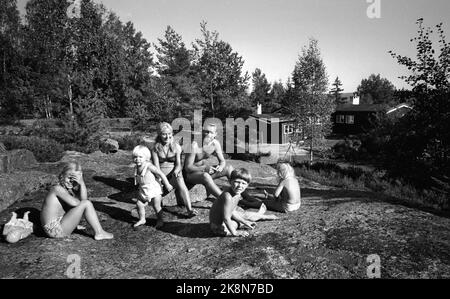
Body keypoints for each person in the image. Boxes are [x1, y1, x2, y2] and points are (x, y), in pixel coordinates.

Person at [40, 162, 113, 240]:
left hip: (57, 226)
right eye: (69, 177)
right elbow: (77, 203)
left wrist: (81, 182)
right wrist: (81, 202)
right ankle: (99, 232)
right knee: (86, 203)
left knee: (85, 203)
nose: (71, 181)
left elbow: (83, 199)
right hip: (54, 230)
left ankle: (97, 231)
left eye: (74, 179)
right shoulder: (57, 188)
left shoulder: (67, 190)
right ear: (62, 176)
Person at [209, 168, 278, 237]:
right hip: (218, 226)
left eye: (243, 183)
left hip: (228, 217)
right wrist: (235, 233)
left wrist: (245, 222)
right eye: (237, 182)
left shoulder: (238, 194)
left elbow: (232, 212)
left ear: (247, 185)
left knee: (243, 215)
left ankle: (262, 216)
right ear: (230, 181)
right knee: (236, 223)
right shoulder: (227, 196)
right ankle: (256, 217)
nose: (240, 186)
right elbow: (226, 218)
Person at [151, 122, 198, 217]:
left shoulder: (176, 147)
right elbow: (156, 167)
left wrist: (177, 170)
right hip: (160, 176)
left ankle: (189, 210)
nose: (167, 136)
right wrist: (162, 181)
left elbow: (178, 164)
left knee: (180, 178)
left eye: (169, 134)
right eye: (164, 134)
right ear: (159, 134)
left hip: (173, 175)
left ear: (172, 133)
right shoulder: (155, 149)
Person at [184, 123, 233, 198]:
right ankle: (224, 199)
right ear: (202, 131)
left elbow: (222, 161)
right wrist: (204, 168)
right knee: (205, 176)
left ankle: (246, 197)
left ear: (215, 134)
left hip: (204, 171)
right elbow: (187, 168)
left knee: (229, 168)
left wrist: (220, 167)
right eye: (206, 131)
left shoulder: (215, 144)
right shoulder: (194, 145)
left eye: (211, 132)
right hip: (190, 175)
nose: (208, 134)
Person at [132, 145, 173, 228]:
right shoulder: (136, 167)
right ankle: (142, 219)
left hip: (154, 190)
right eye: (135, 157)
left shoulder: (149, 166)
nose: (137, 159)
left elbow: (161, 174)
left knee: (156, 206)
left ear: (146, 158)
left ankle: (160, 220)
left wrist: (167, 184)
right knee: (139, 204)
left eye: (140, 157)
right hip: (143, 189)